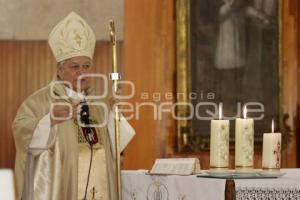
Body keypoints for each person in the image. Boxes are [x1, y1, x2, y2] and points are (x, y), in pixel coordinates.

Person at [12, 12, 135, 200]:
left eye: (86, 66)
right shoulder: (40, 101)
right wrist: (49, 121)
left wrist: (112, 113)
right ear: (60, 71)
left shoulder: (96, 104)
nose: (82, 72)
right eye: (74, 67)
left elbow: (113, 147)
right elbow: (21, 132)